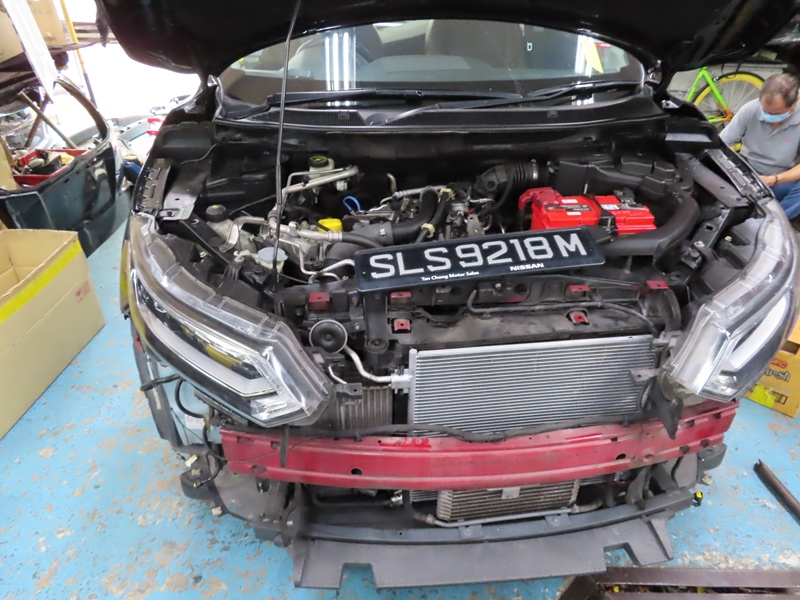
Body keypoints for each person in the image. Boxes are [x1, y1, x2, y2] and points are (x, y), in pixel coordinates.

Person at [719, 73, 800, 219]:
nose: (770, 117)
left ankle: (775, 221)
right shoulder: (750, 109)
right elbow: (721, 143)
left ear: (794, 103)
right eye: (766, 111)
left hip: (780, 178)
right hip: (747, 170)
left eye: (777, 113)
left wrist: (774, 179)